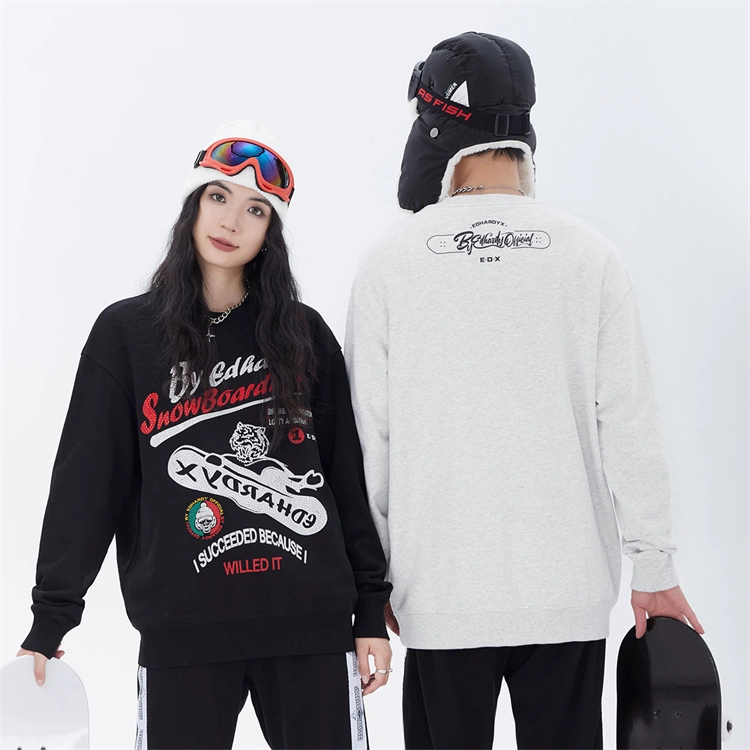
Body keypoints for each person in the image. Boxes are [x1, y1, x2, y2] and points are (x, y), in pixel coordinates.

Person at [344, 32, 702, 749]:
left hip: (439, 596)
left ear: (433, 123)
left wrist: (369, 586)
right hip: (566, 592)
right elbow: (628, 423)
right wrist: (655, 567)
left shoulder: (390, 266)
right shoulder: (590, 256)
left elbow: (367, 443)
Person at [19, 120, 392, 749]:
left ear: (271, 233)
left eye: (255, 210)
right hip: (182, 629)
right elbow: (88, 483)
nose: (231, 221)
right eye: (218, 197)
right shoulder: (127, 335)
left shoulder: (304, 335)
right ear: (192, 205)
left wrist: (369, 609)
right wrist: (52, 614)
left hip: (308, 624)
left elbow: (344, 478)